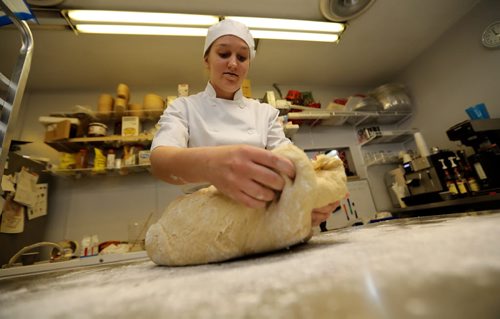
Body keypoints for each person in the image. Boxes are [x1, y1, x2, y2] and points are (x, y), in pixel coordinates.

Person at [150, 19, 338, 226]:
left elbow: (289, 160)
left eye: (242, 57)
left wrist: (309, 194)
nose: (233, 63)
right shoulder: (183, 107)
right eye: (223, 54)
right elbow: (160, 161)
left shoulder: (264, 113)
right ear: (206, 60)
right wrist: (214, 164)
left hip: (259, 217)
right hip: (202, 219)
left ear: (248, 65)